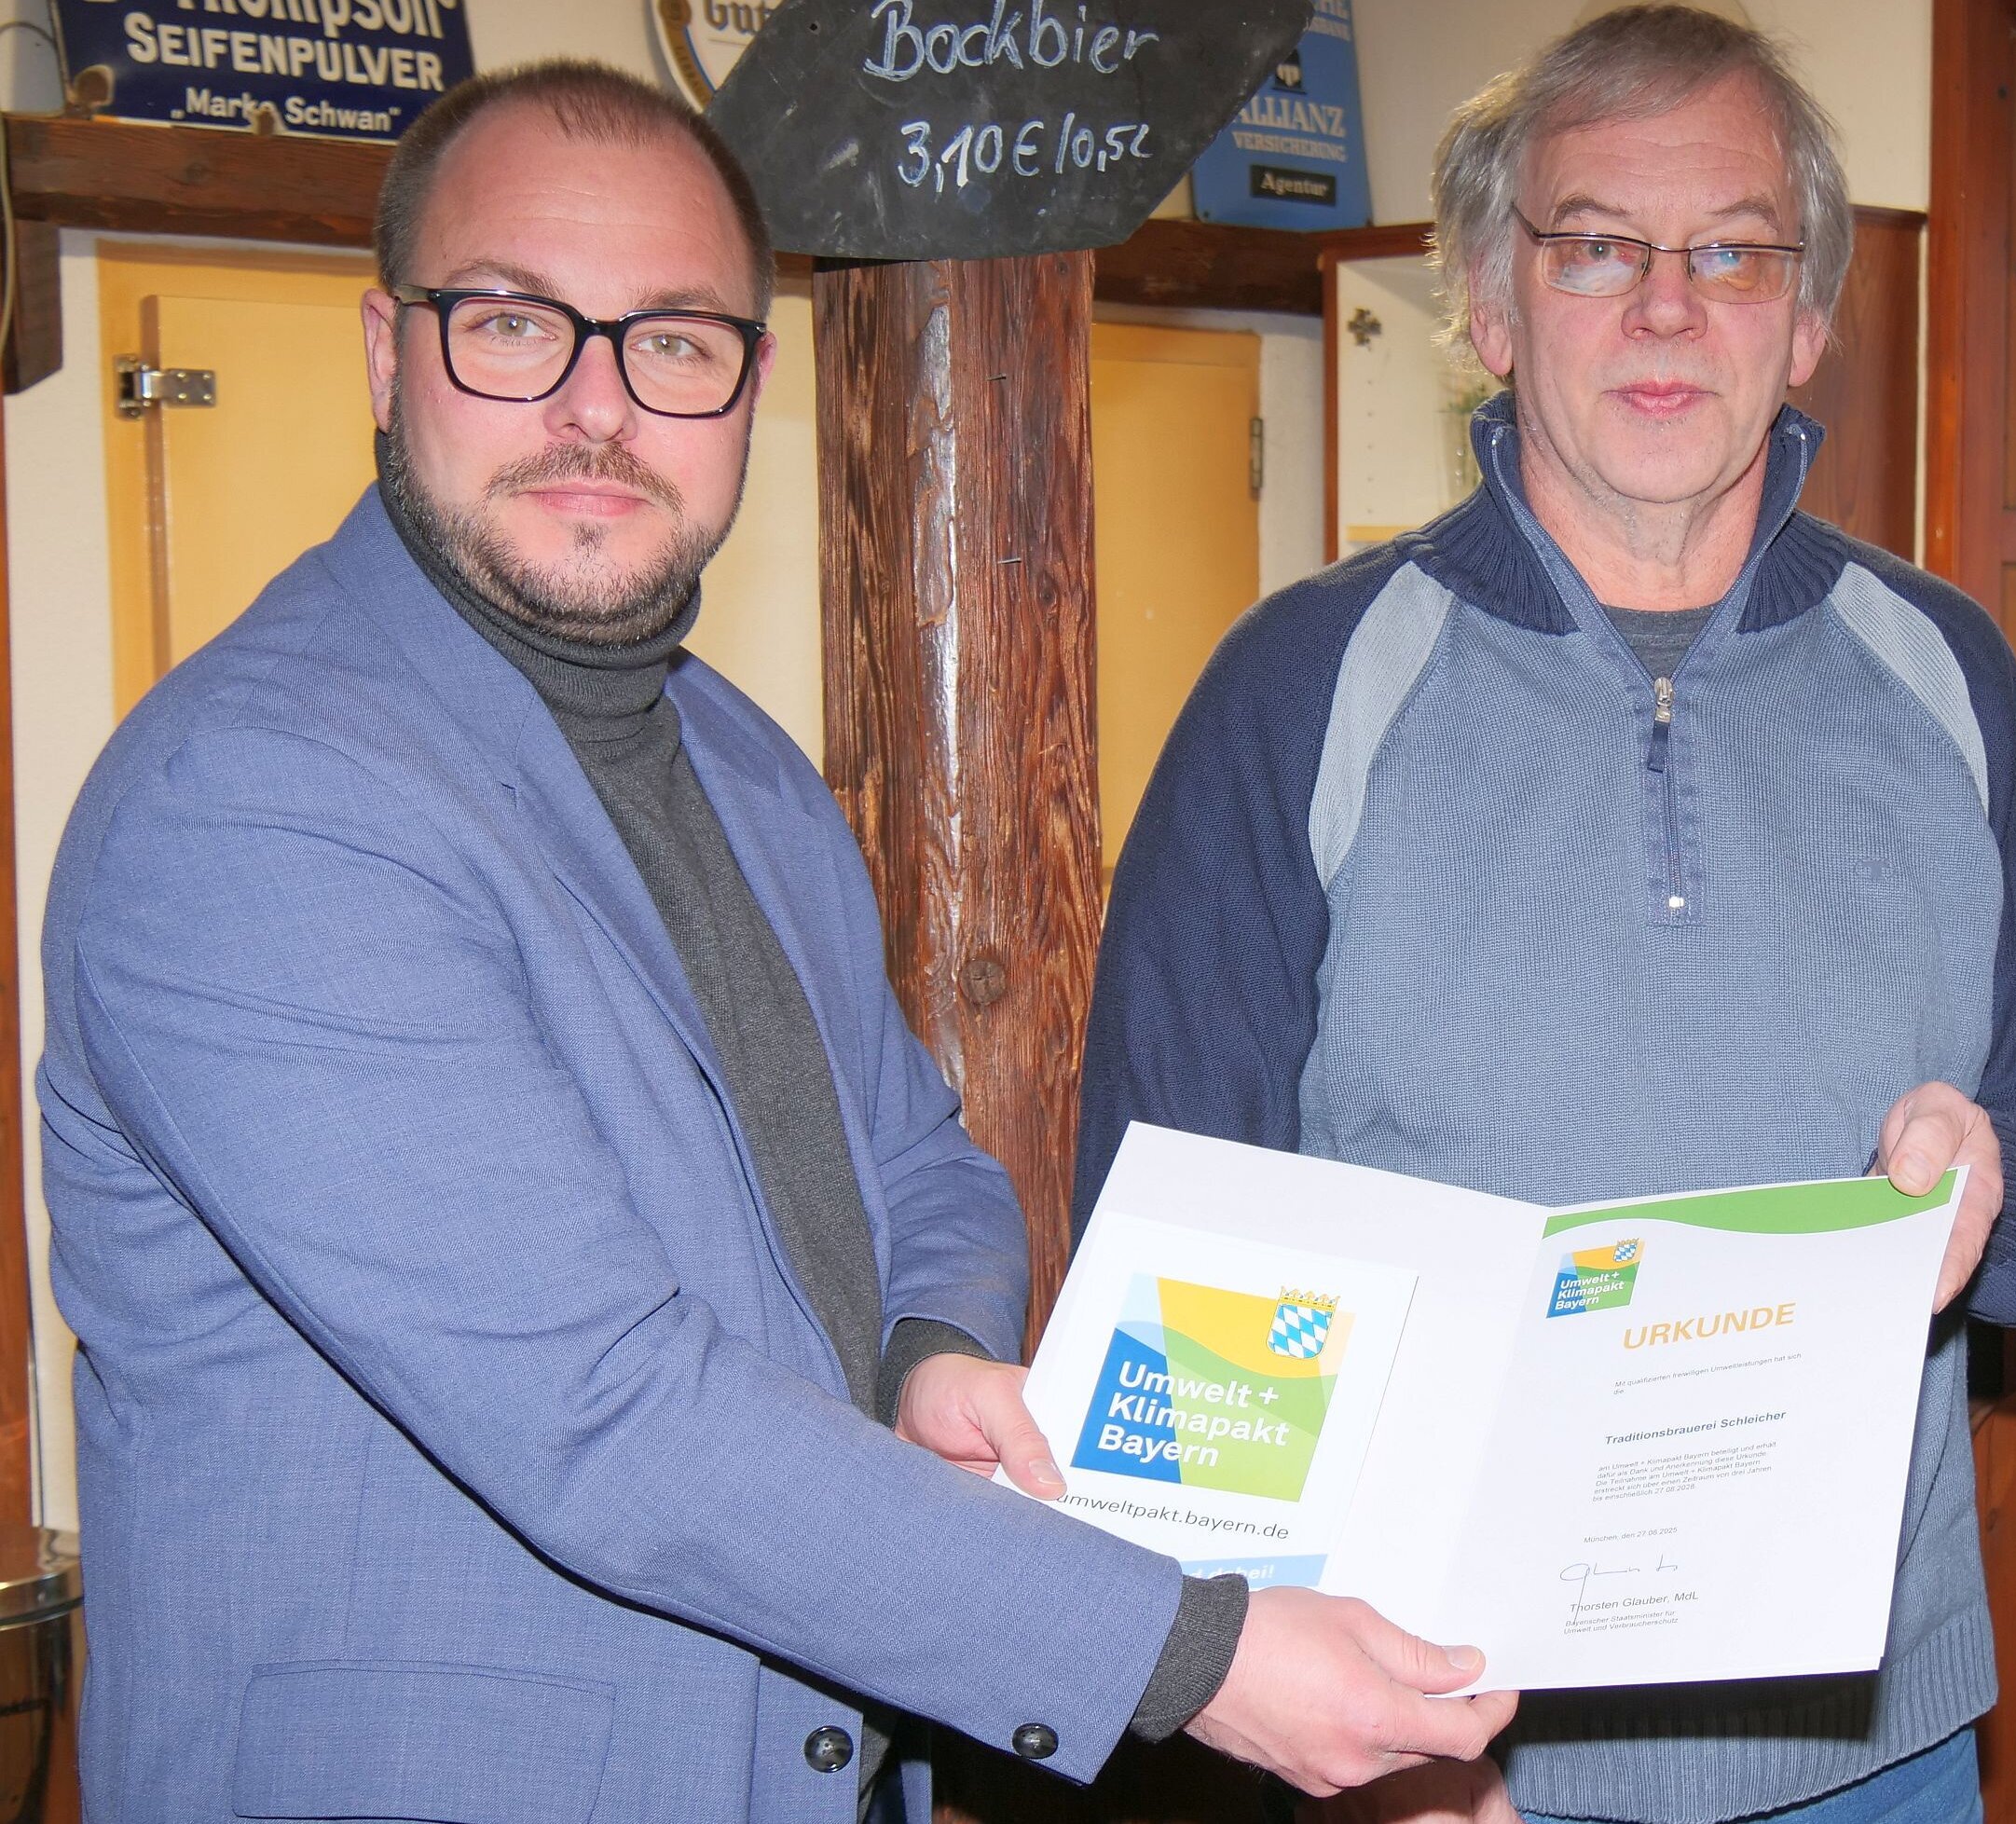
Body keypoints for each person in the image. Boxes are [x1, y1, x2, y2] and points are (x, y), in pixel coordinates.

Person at [39, 62, 1512, 1823]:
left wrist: (924, 1358)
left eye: (673, 341)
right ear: (386, 353)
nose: (600, 410)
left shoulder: (737, 762)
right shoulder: (254, 804)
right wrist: (1188, 1653)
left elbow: (920, 1164)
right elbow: (602, 1409)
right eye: (516, 326)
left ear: (748, 380)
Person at [1077, 8, 2016, 1823]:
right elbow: (1174, 1267)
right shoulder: (1302, 684)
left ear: (1807, 316)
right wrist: (1355, 1744)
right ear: (1492, 312)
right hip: (1437, 1749)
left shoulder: (1947, 670)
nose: (1669, 308)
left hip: (1871, 1757)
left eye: (1733, 249)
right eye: (1596, 248)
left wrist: (2007, 1180)